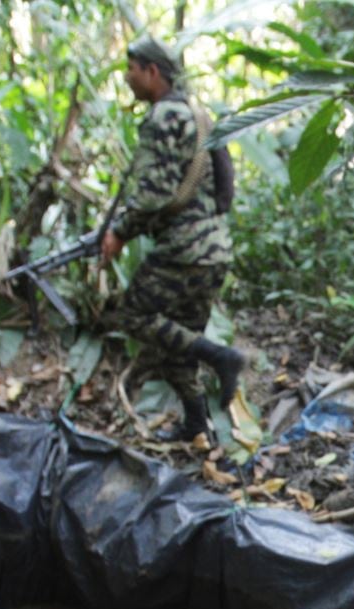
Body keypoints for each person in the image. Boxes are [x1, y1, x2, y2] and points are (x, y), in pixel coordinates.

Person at [101, 36, 243, 443]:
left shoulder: (165, 116)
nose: (127, 77)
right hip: (213, 251)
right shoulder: (196, 115)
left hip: (185, 250)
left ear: (152, 72)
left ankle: (222, 357)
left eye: (132, 69)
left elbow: (153, 194)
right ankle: (197, 426)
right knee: (179, 346)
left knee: (132, 315)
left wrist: (119, 233)